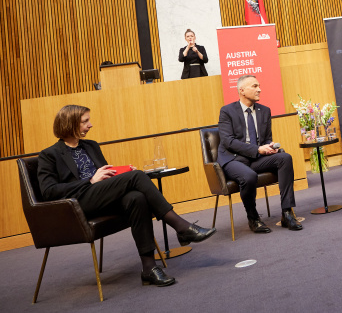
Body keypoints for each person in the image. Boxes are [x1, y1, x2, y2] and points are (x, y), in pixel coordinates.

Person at [38, 105, 216, 287]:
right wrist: (90, 181)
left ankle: (149, 268)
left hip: (101, 197)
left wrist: (121, 173)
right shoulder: (49, 154)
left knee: (136, 198)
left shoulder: (91, 146)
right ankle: (181, 227)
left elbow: (106, 176)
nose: (90, 125)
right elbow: (49, 191)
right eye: (85, 121)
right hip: (79, 203)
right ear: (69, 124)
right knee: (137, 176)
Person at [217, 75, 302, 233]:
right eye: (254, 86)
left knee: (285, 158)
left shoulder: (265, 111)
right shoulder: (227, 111)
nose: (259, 89)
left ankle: (287, 213)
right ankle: (253, 218)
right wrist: (257, 149)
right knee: (249, 176)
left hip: (255, 158)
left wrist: (269, 147)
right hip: (234, 159)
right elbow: (228, 141)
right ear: (242, 90)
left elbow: (266, 138)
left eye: (259, 86)